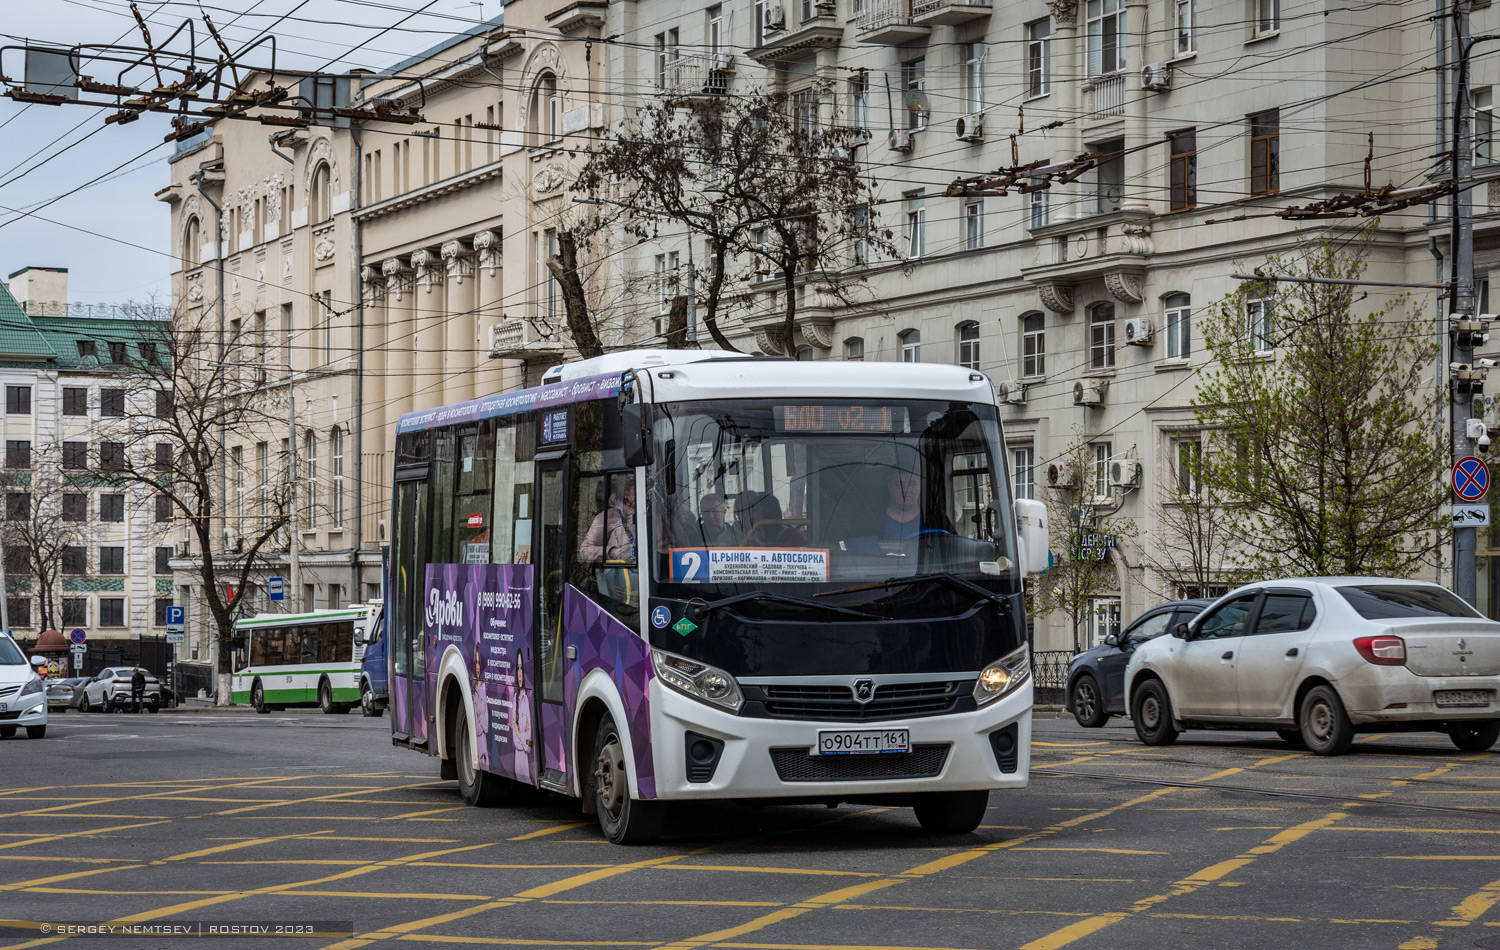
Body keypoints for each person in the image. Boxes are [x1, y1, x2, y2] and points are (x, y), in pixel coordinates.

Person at [734, 491, 807, 547]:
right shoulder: (750, 542)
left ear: (766, 513)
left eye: (754, 510)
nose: (750, 513)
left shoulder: (793, 536)